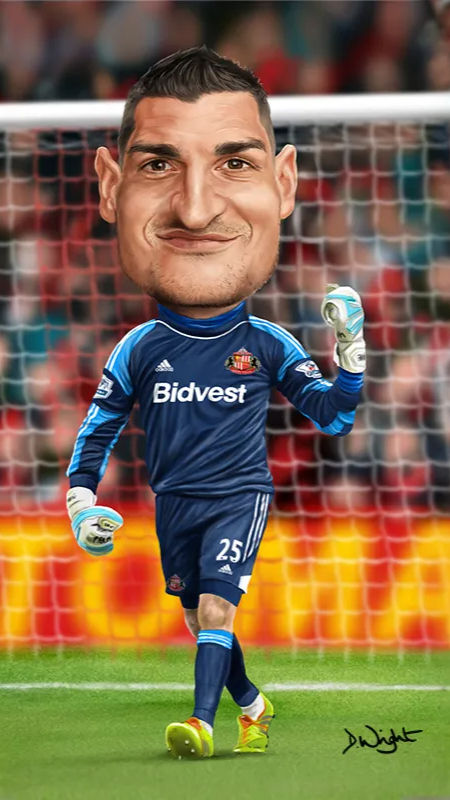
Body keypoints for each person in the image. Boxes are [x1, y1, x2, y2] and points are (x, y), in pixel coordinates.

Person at [65, 46, 366, 759]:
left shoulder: (265, 342)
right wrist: (80, 503)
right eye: (158, 165)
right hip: (173, 500)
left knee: (216, 607)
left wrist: (350, 355)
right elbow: (98, 430)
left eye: (234, 162)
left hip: (238, 496)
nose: (195, 209)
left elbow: (333, 415)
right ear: (111, 187)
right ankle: (253, 706)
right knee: (199, 619)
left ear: (282, 183)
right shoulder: (140, 347)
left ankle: (201, 722)